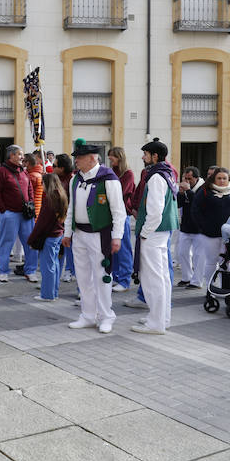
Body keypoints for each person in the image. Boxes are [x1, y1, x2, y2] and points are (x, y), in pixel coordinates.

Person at [62, 140, 127, 334]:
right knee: (82, 277)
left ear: (92, 159)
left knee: (102, 277)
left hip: (100, 235)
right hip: (79, 234)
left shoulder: (108, 178)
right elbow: (71, 209)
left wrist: (117, 237)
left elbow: (118, 211)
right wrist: (67, 232)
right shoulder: (76, 179)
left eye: (80, 158)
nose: (76, 162)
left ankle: (106, 316)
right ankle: (88, 315)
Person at [131, 140, 179, 335]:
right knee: (162, 278)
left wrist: (144, 233)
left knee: (153, 279)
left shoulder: (155, 177)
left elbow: (155, 212)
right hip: (162, 231)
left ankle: (156, 323)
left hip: (153, 232)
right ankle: (162, 318)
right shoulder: (166, 173)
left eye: (145, 154)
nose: (143, 157)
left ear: (155, 156)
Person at [191, 167, 230, 289]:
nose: (222, 181)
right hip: (210, 234)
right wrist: (203, 226)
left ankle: (224, 288)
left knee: (225, 262)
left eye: (224, 178)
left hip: (229, 234)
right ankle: (210, 288)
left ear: (229, 179)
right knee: (211, 261)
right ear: (214, 179)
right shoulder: (205, 191)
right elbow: (195, 210)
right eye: (219, 178)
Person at [0, 145, 38, 283]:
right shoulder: (1, 172)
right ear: (11, 156)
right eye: (19, 154)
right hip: (9, 214)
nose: (22, 157)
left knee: (30, 244)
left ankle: (31, 271)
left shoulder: (24, 172)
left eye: (22, 154)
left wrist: (31, 204)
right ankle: (3, 271)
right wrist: (3, 210)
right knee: (6, 244)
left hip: (26, 215)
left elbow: (30, 189)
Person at [28, 173, 68, 301]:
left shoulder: (50, 198)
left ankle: (47, 295)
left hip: (49, 236)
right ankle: (53, 292)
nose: (42, 187)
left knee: (47, 267)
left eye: (43, 184)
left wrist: (32, 238)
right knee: (54, 265)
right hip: (58, 234)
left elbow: (42, 222)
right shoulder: (61, 195)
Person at [108, 147, 135, 292]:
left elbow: (120, 193)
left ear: (119, 157)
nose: (110, 159)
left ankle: (124, 280)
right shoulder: (112, 172)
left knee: (123, 248)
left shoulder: (128, 174)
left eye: (112, 156)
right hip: (112, 214)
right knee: (115, 248)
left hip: (122, 214)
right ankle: (118, 277)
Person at [176, 166, 204, 289]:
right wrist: (181, 193)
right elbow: (177, 204)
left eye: (190, 179)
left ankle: (197, 281)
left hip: (199, 228)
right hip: (186, 226)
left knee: (199, 256)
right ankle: (187, 277)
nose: (187, 181)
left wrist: (188, 191)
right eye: (185, 178)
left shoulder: (203, 188)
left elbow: (198, 203)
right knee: (182, 253)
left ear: (196, 178)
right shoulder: (185, 188)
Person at [53, 153, 76, 283]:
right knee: (59, 248)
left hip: (67, 219)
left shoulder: (72, 180)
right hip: (57, 219)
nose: (52, 168)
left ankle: (70, 270)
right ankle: (56, 275)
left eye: (54, 166)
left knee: (69, 247)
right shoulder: (55, 178)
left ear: (62, 168)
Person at [24, 153, 44, 218]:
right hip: (36, 208)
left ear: (27, 163)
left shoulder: (32, 176)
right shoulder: (37, 173)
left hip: (31, 209)